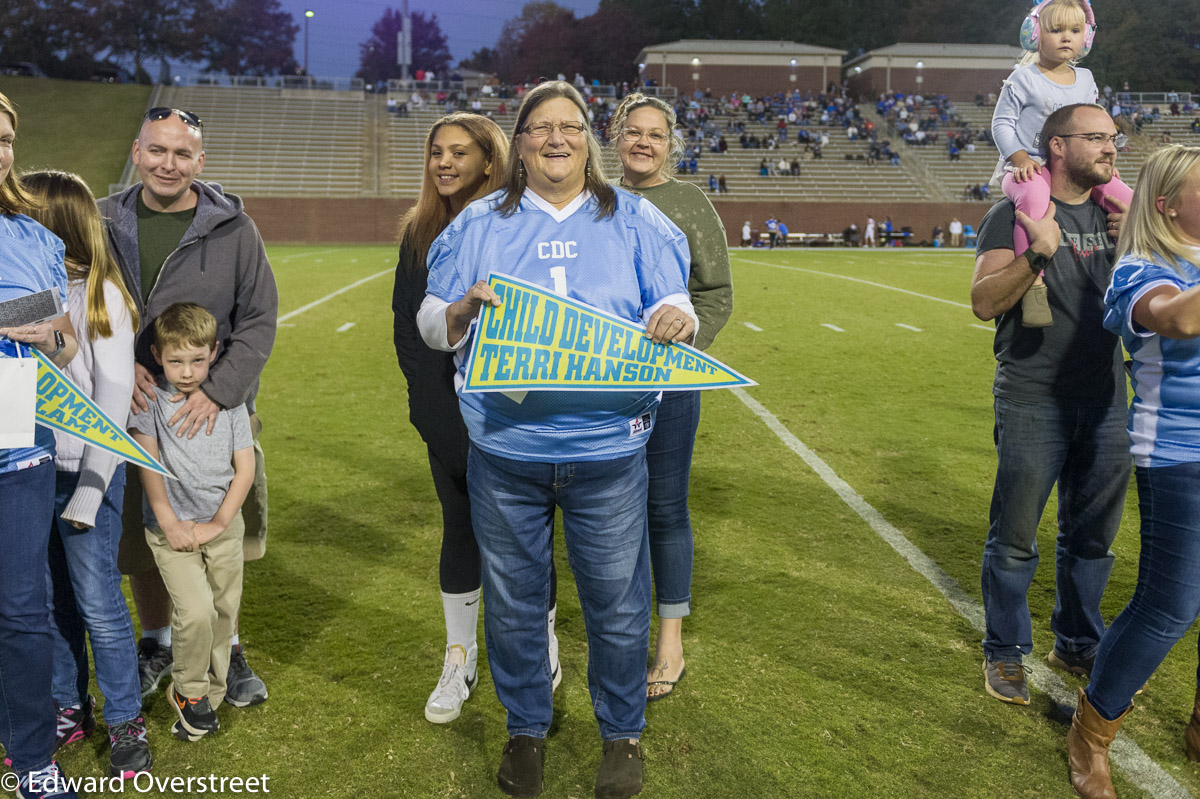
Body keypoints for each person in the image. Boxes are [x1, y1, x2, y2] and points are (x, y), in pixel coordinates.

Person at [418, 81, 694, 799]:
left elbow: (675, 303)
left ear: (587, 139)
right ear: (521, 140)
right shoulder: (477, 222)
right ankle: (526, 727)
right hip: (507, 451)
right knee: (513, 601)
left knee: (617, 600)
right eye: (541, 128)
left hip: (608, 450)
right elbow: (428, 321)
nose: (556, 139)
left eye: (570, 126)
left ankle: (621, 732)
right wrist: (459, 309)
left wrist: (676, 320)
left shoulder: (635, 219)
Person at [99, 107, 277, 709]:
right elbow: (84, 308)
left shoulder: (234, 229)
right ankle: (157, 641)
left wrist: (217, 390)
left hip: (212, 411)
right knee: (146, 530)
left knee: (225, 530)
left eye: (182, 154)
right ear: (136, 149)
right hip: (131, 413)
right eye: (157, 151)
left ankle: (228, 643)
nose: (167, 164)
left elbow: (258, 319)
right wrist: (115, 376)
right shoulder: (101, 221)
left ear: (200, 162)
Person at [392, 112, 561, 725]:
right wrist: (450, 434)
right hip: (452, 424)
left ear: (490, 162)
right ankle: (458, 656)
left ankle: (541, 646)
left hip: (517, 417)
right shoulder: (419, 233)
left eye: (459, 153)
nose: (444, 163)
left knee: (528, 536)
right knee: (460, 531)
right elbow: (412, 347)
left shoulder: (516, 228)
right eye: (437, 152)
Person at [970, 103, 1131, 706]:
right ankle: (1005, 651)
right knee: (1015, 537)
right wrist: (1038, 252)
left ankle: (1078, 642)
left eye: (1113, 138)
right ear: (1057, 146)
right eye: (1096, 138)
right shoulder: (1010, 212)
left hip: (1108, 396)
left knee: (1093, 537)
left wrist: (1135, 245)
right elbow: (984, 302)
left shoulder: (1122, 216)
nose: (1111, 148)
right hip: (1033, 395)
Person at [1066, 144, 1200, 798]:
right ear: (1168, 202)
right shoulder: (1140, 268)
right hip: (1179, 450)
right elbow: (1178, 318)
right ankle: (1091, 732)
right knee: (1169, 603)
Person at [20, 171, 151, 776]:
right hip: (29, 470)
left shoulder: (103, 300)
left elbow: (112, 402)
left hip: (83, 478)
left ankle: (125, 718)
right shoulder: (25, 292)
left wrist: (93, 491)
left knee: (98, 602)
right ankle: (71, 706)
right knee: (48, 604)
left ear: (53, 225)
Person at [609, 92, 733, 702]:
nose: (643, 143)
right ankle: (622, 632)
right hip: (602, 385)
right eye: (633, 132)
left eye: (655, 135)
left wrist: (687, 338)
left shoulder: (688, 203)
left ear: (670, 144)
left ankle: (670, 641)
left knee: (664, 508)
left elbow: (715, 293)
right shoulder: (594, 200)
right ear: (615, 136)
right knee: (610, 511)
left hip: (670, 384)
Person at [0, 90, 82, 799]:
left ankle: (34, 763)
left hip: (18, 434)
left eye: (3, 138)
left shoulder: (33, 238)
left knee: (23, 604)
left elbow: (66, 338)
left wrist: (48, 335)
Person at [128, 303, 254, 743]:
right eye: (176, 360)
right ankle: (189, 691)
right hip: (172, 531)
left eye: (197, 360)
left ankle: (210, 699)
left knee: (223, 611)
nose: (187, 371)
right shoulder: (148, 403)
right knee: (196, 610)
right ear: (157, 355)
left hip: (222, 528)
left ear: (214, 353)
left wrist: (220, 524)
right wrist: (172, 523)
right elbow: (149, 466)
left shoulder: (229, 401)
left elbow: (245, 470)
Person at [990, 0, 1133, 328]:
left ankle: (1132, 273)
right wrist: (1019, 157)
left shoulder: (1086, 78)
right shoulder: (1023, 78)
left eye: (1074, 30)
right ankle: (1034, 285)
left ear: (1087, 37)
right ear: (1035, 33)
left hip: (1076, 166)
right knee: (1035, 202)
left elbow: (1093, 125)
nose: (1066, 37)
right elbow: (1001, 125)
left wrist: (1102, 162)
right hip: (1030, 166)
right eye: (1056, 30)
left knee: (1129, 201)